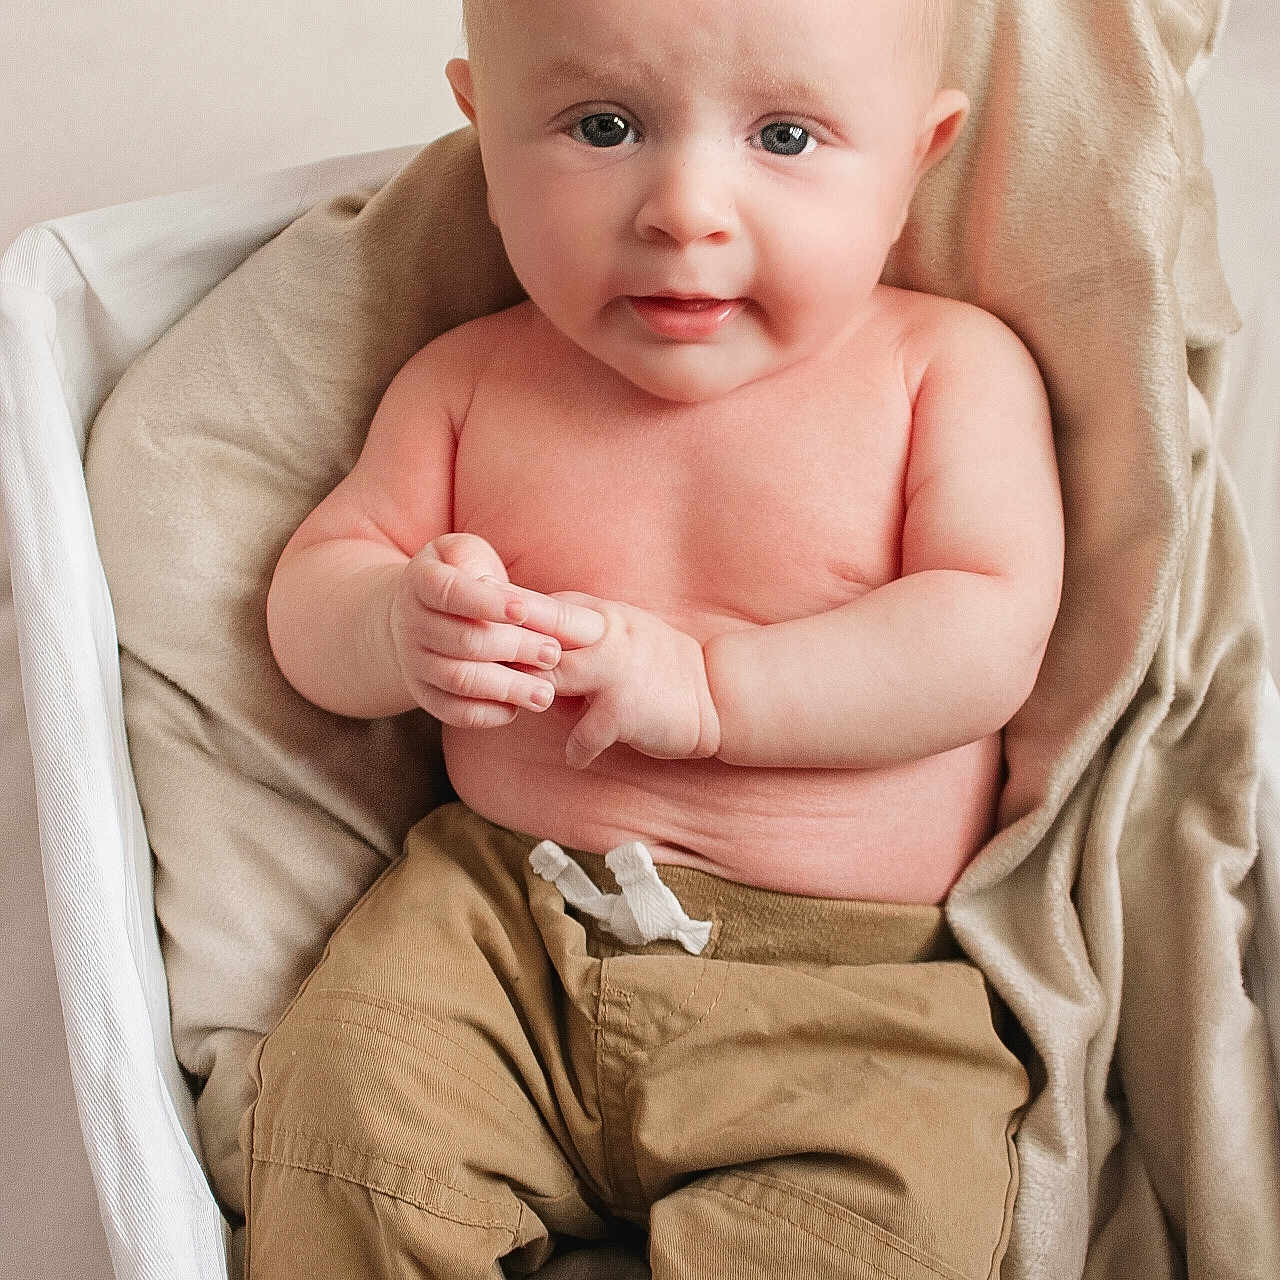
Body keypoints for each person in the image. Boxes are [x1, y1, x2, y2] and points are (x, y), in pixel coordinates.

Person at [245, 0, 1064, 1275]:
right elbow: (312, 594)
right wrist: (393, 625)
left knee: (875, 1222)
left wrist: (712, 687)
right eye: (603, 126)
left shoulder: (941, 370)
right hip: (496, 934)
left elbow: (982, 631)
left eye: (784, 134)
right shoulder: (465, 381)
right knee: (344, 1114)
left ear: (916, 158)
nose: (684, 207)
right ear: (485, 142)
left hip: (842, 994)